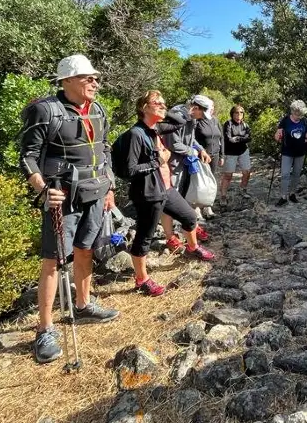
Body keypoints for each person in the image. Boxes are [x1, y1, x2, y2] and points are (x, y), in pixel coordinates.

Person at [19, 54, 120, 365]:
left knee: (86, 249)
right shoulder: (45, 110)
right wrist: (43, 188)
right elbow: (27, 155)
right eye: (87, 78)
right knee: (53, 260)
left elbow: (104, 150)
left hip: (96, 192)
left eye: (95, 77)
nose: (94, 82)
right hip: (63, 197)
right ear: (67, 81)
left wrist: (110, 185)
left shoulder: (98, 110)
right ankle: (45, 330)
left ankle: (83, 303)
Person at [126, 91, 214, 281]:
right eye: (157, 103)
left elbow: (185, 133)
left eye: (163, 103)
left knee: (189, 215)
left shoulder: (161, 126)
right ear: (144, 107)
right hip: (153, 186)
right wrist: (160, 160)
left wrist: (198, 147)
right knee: (145, 235)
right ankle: (143, 277)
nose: (163, 106)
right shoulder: (139, 132)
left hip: (166, 182)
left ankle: (192, 247)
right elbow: (130, 170)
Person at [159, 95, 215, 245]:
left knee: (184, 196)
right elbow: (173, 144)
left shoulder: (192, 117)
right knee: (170, 200)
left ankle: (189, 227)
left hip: (183, 163)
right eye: (202, 113)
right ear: (195, 107)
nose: (202, 117)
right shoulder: (175, 116)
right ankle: (170, 237)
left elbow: (190, 139)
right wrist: (193, 152)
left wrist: (200, 149)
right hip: (172, 165)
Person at [274, 99, 307, 206]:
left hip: (300, 152)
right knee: (285, 174)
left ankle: (292, 194)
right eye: (297, 113)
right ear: (292, 111)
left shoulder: (304, 121)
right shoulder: (285, 120)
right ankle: (283, 196)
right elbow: (277, 134)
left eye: (300, 114)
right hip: (287, 151)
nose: (298, 116)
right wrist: (278, 136)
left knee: (296, 174)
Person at [194, 100, 223, 219]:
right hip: (201, 155)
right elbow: (191, 139)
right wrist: (200, 151)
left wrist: (222, 155)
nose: (211, 109)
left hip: (215, 155)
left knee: (210, 181)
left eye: (212, 106)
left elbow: (222, 139)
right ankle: (196, 209)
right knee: (199, 182)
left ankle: (207, 207)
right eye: (208, 107)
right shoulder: (197, 121)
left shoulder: (215, 120)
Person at [220, 104, 253, 202]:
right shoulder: (228, 124)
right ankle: (223, 196)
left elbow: (249, 138)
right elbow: (229, 139)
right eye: (236, 113)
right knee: (228, 175)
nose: (239, 115)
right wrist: (242, 139)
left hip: (243, 151)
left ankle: (243, 189)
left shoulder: (245, 125)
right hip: (231, 152)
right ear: (232, 114)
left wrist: (238, 138)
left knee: (247, 172)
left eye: (241, 113)